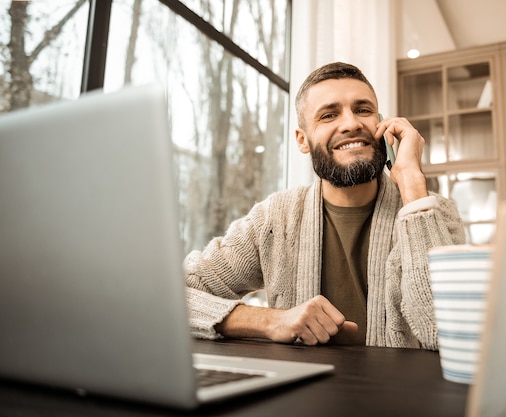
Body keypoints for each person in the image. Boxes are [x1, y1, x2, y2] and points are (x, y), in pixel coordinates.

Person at [185, 62, 466, 349]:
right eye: (329, 115)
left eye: (363, 110)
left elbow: (446, 332)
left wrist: (412, 184)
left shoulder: (435, 213)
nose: (351, 123)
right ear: (302, 140)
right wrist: (271, 321)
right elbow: (173, 294)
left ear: (382, 122)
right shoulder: (273, 220)